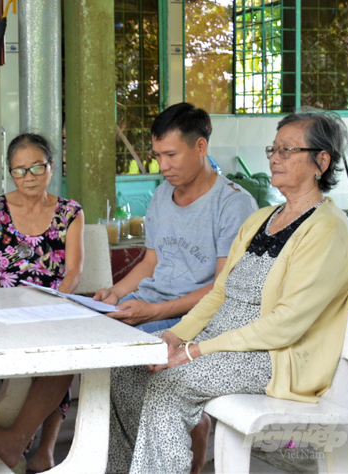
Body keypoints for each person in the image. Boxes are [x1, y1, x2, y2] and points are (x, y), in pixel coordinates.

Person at [107, 109, 348, 474]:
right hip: (220, 340)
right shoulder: (262, 219)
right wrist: (175, 336)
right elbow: (219, 294)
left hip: (271, 356)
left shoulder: (327, 229)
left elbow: (285, 325)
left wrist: (192, 352)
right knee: (126, 369)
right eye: (274, 148)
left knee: (166, 385)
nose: (273, 157)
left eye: (287, 150)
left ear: (321, 160)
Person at [94, 103, 257, 472]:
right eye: (157, 156)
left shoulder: (233, 204)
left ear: (200, 147)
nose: (162, 165)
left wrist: (153, 313)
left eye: (170, 154)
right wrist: (116, 293)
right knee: (93, 347)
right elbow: (151, 263)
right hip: (148, 303)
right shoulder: (160, 197)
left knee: (122, 364)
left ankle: (180, 440)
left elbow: (222, 288)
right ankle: (135, 458)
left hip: (194, 315)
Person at [0, 133, 84, 472]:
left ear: (51, 168)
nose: (29, 177)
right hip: (0, 307)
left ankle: (40, 446)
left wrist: (54, 308)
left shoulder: (69, 212)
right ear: (10, 173)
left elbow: (74, 273)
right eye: (19, 170)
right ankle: (24, 442)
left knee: (63, 354)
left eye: (37, 167)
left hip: (54, 306)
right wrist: (5, 310)